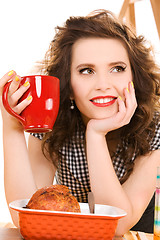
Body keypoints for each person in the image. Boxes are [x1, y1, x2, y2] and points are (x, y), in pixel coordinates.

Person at [0, 9, 160, 237]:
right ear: (69, 86)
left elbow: (119, 225)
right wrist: (12, 128)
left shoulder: (155, 126)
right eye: (86, 71)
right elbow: (24, 214)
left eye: (117, 68)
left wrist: (95, 135)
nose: (103, 84)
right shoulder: (53, 123)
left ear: (134, 77)